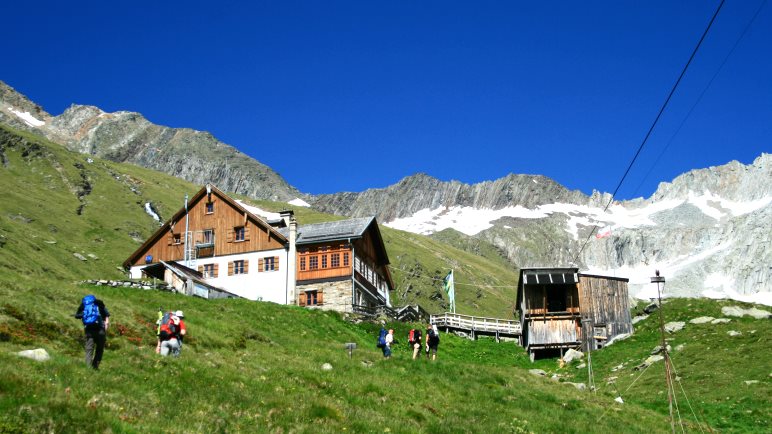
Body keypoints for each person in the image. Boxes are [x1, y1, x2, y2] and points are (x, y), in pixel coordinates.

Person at [74, 294, 110, 369]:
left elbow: (77, 316)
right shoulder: (99, 304)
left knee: (89, 349)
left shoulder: (84, 305)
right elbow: (107, 316)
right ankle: (95, 366)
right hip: (100, 330)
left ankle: (88, 368)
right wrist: (105, 326)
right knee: (99, 349)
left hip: (89, 330)